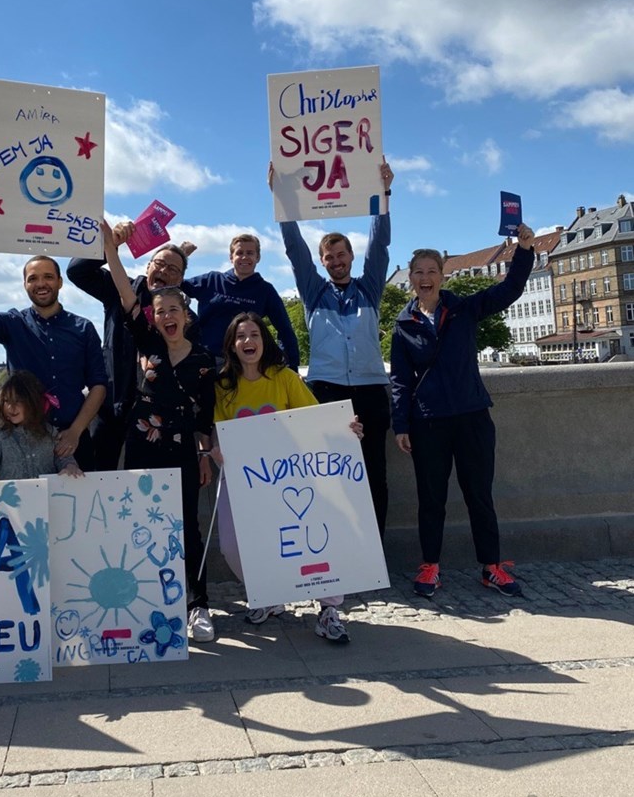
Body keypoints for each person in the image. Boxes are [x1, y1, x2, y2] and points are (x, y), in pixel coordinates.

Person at [390, 223, 536, 599]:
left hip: (471, 415)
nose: (425, 278)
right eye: (419, 272)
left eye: (432, 271)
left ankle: (491, 567)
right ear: (411, 279)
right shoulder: (403, 325)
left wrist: (523, 250)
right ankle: (430, 567)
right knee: (431, 498)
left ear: (443, 276)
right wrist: (401, 424)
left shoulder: (464, 309)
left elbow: (509, 290)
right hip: (428, 422)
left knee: (479, 494)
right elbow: (400, 380)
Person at [211, 312, 362, 644]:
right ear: (232, 345)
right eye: (241, 336)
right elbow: (218, 432)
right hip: (243, 481)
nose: (248, 341)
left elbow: (315, 418)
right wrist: (216, 450)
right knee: (233, 546)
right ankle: (268, 595)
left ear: (264, 341)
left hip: (290, 482)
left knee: (310, 538)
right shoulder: (223, 385)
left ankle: (329, 609)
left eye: (254, 334)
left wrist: (345, 429)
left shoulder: (285, 378)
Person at [100, 218, 217, 643]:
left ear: (187, 316)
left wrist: (205, 454)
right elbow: (125, 292)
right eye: (161, 310)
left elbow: (206, 414)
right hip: (142, 448)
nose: (167, 316)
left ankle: (197, 604)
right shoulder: (146, 341)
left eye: (175, 310)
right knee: (140, 526)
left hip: (183, 451)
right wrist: (112, 249)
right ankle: (145, 601)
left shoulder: (204, 360)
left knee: (188, 525)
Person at [277, 159, 394, 539]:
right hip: (326, 390)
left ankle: (372, 548)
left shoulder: (370, 289)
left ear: (351, 258)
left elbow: (380, 245)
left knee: (374, 470)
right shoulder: (314, 293)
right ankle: (340, 547)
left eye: (342, 255)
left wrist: (383, 194)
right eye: (329, 257)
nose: (337, 261)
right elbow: (295, 251)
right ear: (323, 263)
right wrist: (282, 196)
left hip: (372, 388)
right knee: (331, 472)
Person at [0, 221, 107, 471]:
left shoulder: (83, 327)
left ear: (59, 282)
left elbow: (98, 385)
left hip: (74, 442)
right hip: (25, 444)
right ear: (25, 285)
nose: (41, 283)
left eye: (47, 277)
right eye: (32, 278)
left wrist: (76, 431)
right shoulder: (13, 324)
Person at [67, 227, 194, 471]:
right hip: (111, 406)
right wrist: (111, 245)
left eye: (173, 270)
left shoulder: (184, 318)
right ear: (148, 267)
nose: (164, 271)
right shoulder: (119, 287)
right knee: (98, 478)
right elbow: (76, 271)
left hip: (156, 416)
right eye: (159, 264)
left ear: (179, 281)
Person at [182, 234, 300, 366]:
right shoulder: (212, 280)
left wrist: (289, 366)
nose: (244, 257)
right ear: (231, 257)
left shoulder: (265, 290)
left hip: (244, 364)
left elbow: (285, 330)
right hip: (207, 361)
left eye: (250, 253)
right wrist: (181, 255)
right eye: (239, 253)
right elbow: (172, 283)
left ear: (258, 257)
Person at [0, 370, 83, 486]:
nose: (11, 407)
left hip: (44, 500)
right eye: (6, 401)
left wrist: (70, 468)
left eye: (18, 401)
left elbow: (64, 459)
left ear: (33, 402)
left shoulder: (50, 433)